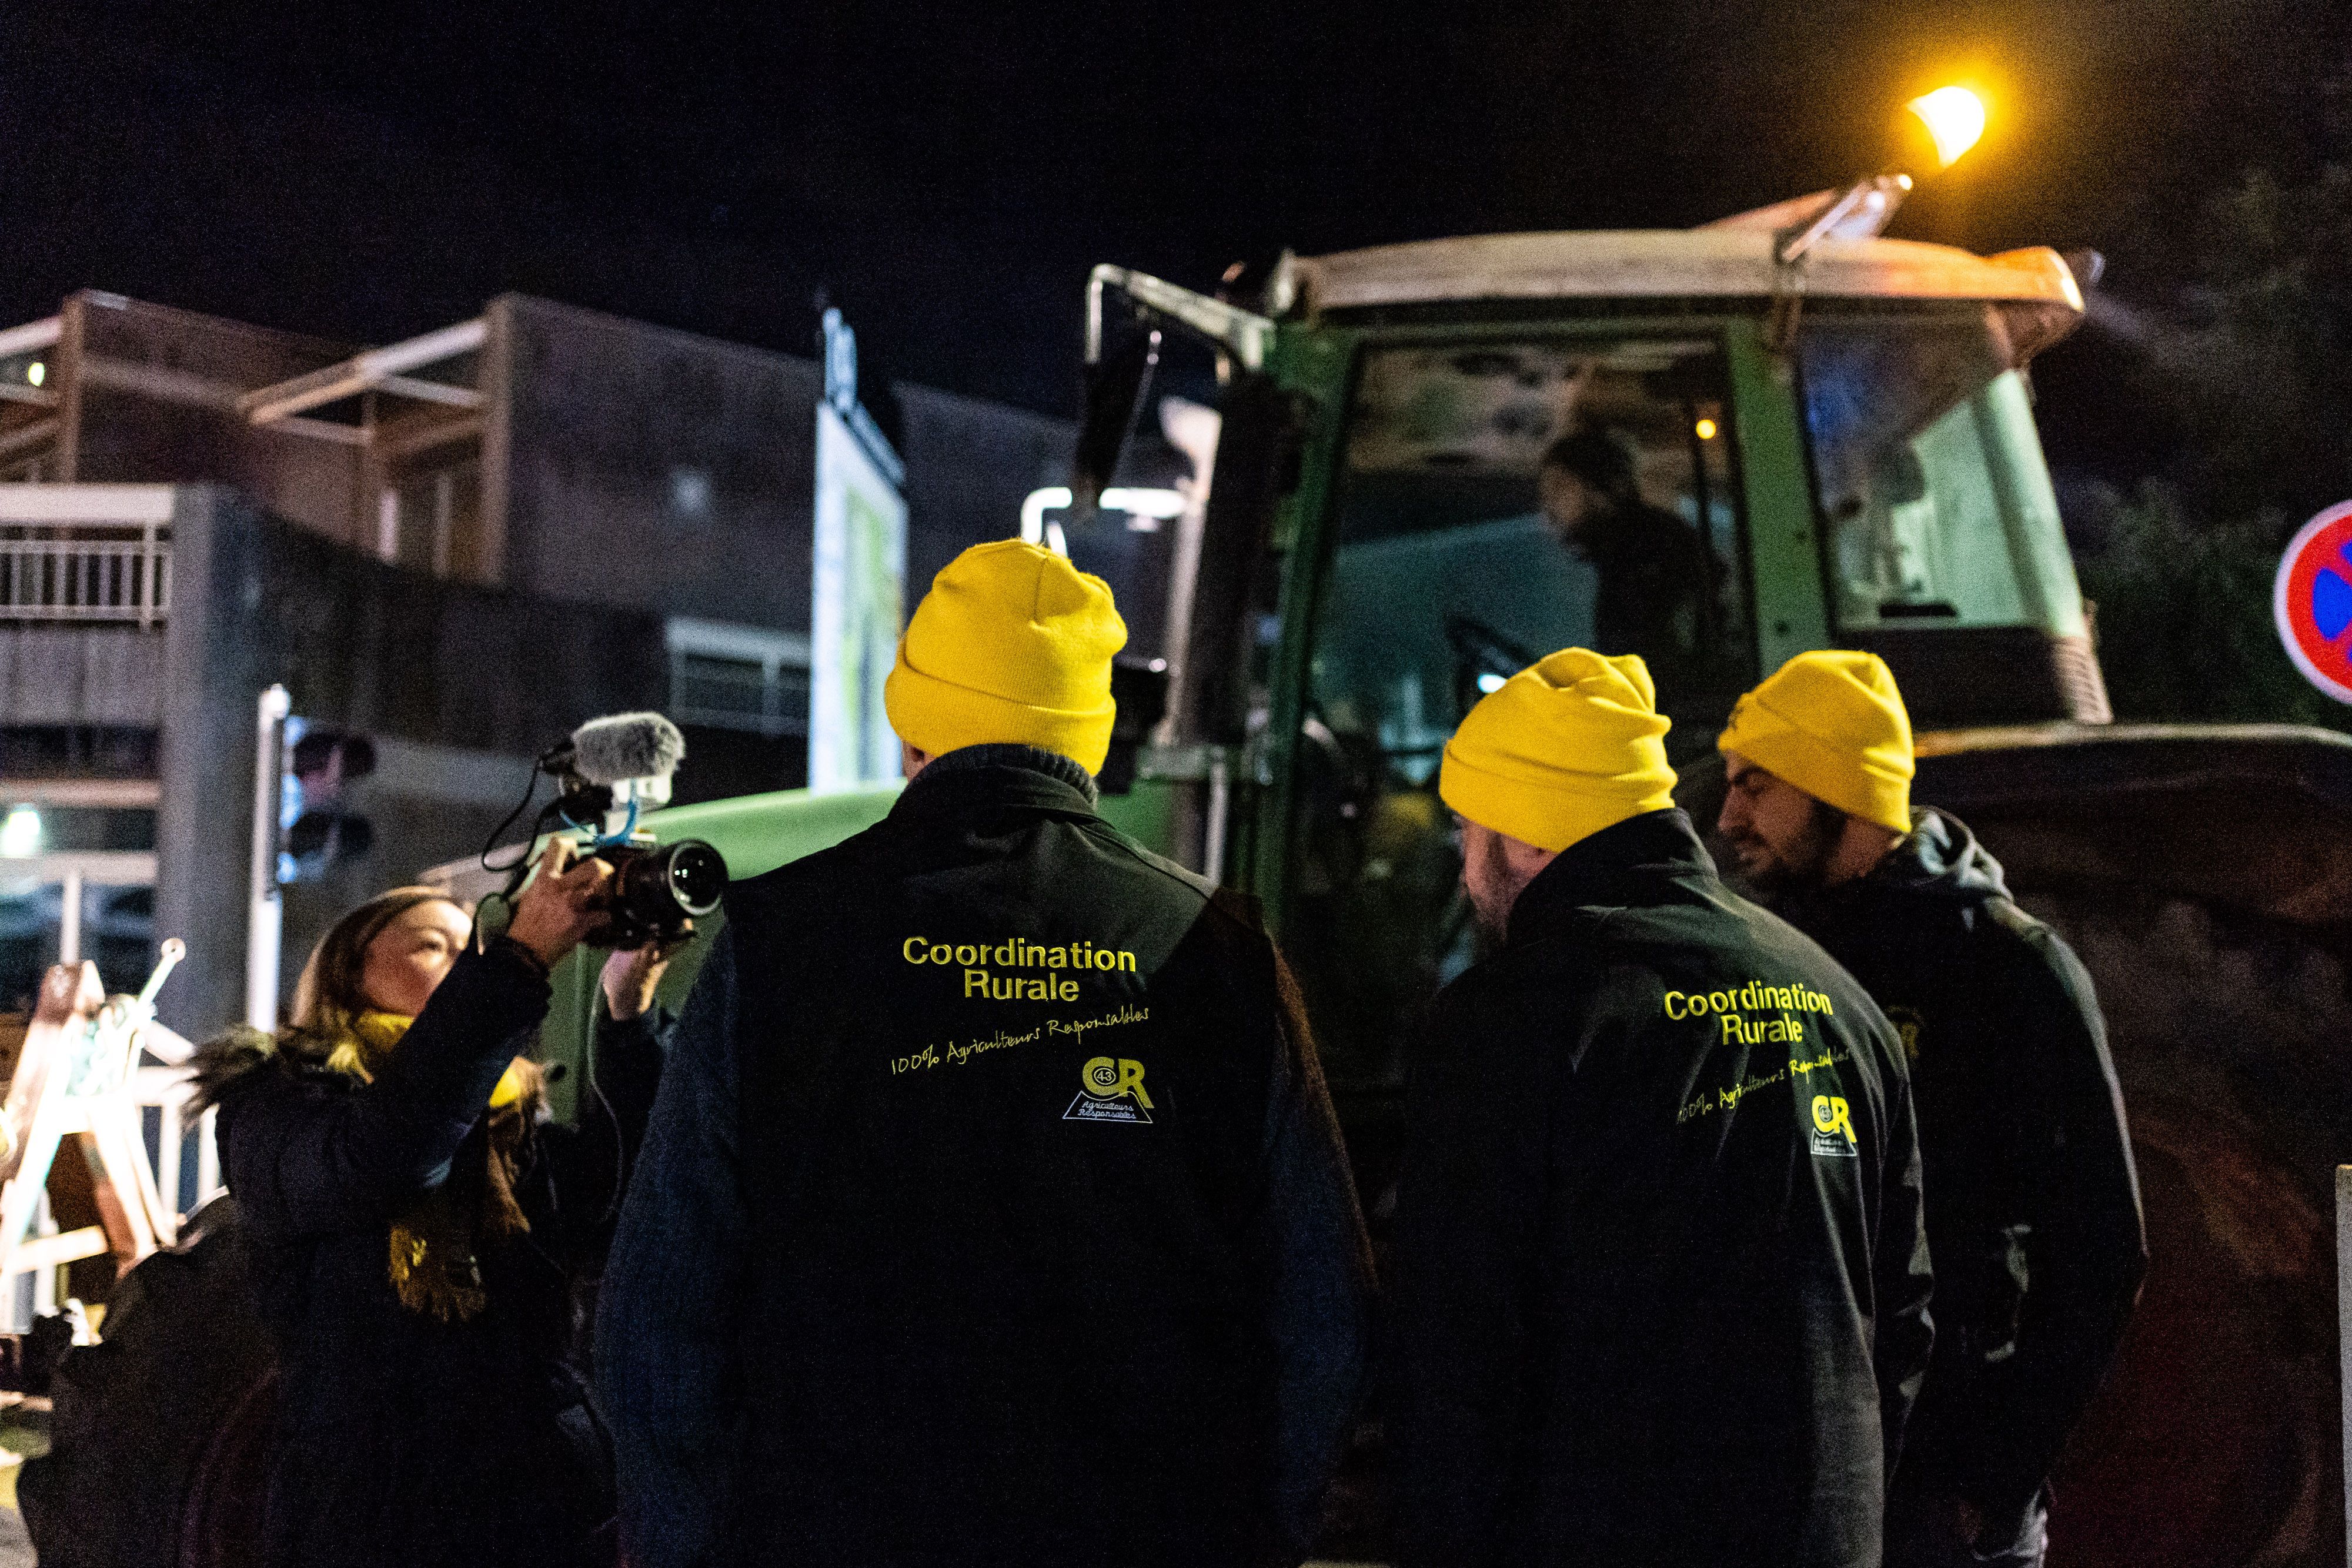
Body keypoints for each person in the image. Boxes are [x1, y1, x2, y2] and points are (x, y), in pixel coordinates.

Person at [599, 539, 1374, 1568]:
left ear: (915, 724)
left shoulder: (786, 939)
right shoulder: (1219, 952)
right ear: (1087, 742)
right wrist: (1247, 1529)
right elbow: (1325, 1317)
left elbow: (662, 1316)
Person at [1385, 647, 1934, 1568]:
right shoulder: (1838, 1000)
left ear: (1530, 837)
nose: (1466, 867)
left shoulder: (1511, 1019)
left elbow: (1458, 1352)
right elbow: (1902, 1309)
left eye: (1468, 829)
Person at [1715, 650, 2146, 1568]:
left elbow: (2102, 1246)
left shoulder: (2010, 969)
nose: (1728, 816)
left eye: (1757, 784)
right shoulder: (1766, 960)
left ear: (1842, 786)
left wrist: (1994, 1478)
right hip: (1803, 1487)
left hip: (1940, 1498)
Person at [192, 847, 684, 1568]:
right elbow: (386, 1161)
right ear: (346, 976)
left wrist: (627, 1011)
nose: (464, 960)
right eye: (433, 946)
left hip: (531, 1492)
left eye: (471, 947)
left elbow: (624, 1204)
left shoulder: (506, 1116)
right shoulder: (279, 1106)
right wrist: (512, 965)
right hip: (380, 1503)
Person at [1538, 424, 1715, 687]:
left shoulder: (1651, 550)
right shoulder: (1617, 555)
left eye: (1561, 487)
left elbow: (1650, 658)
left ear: (1603, 489)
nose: (1549, 506)